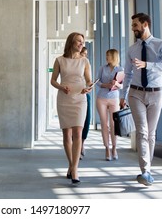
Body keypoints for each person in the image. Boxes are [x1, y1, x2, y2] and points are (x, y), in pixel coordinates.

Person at [120, 12, 162, 186]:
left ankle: (147, 169)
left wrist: (147, 65)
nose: (133, 28)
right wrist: (123, 95)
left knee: (151, 134)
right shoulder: (132, 49)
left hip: (156, 93)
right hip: (135, 93)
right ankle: (145, 171)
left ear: (145, 24)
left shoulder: (161, 45)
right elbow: (127, 74)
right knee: (142, 132)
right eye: (132, 26)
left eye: (135, 25)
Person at [50, 32, 93, 185]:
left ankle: (75, 168)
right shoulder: (60, 60)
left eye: (82, 41)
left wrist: (89, 88)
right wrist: (61, 87)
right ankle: (71, 164)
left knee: (78, 132)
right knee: (67, 134)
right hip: (64, 98)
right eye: (78, 41)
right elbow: (53, 80)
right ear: (71, 42)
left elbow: (89, 81)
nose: (81, 44)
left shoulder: (85, 61)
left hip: (80, 99)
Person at [96, 49, 124, 161]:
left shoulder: (120, 69)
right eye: (106, 55)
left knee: (113, 125)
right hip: (101, 98)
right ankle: (107, 148)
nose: (106, 57)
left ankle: (114, 148)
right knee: (105, 125)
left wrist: (116, 83)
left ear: (114, 57)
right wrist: (105, 84)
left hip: (114, 99)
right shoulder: (102, 68)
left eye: (108, 55)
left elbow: (122, 86)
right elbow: (97, 81)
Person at [80, 47, 91, 159]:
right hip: (74, 96)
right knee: (76, 123)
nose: (85, 56)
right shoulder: (74, 64)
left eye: (86, 54)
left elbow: (89, 80)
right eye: (83, 53)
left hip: (86, 94)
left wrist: (89, 85)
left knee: (87, 121)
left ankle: (82, 144)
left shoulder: (86, 64)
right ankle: (77, 148)